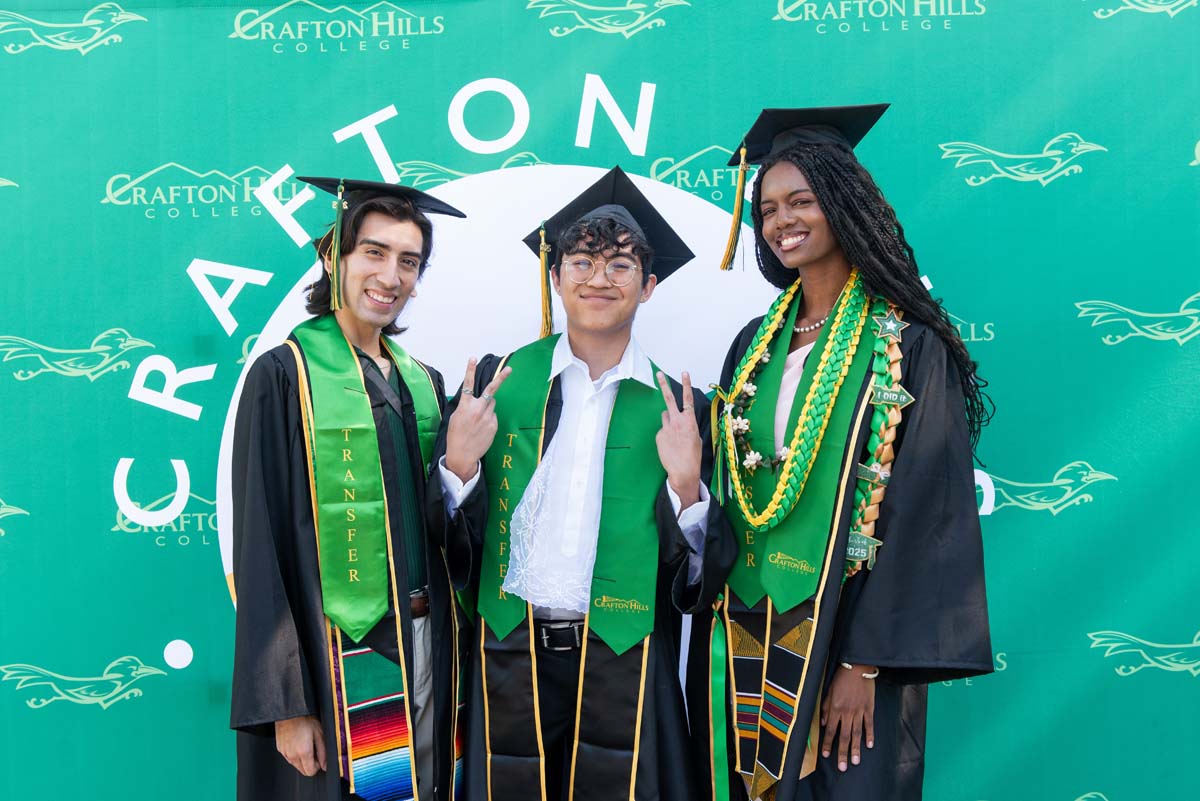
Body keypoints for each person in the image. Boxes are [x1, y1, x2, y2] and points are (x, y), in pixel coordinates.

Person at [692, 105, 994, 801]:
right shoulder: (754, 346)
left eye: (802, 201)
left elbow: (925, 509)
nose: (780, 221)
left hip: (849, 633)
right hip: (750, 628)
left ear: (844, 202)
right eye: (767, 208)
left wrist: (864, 662)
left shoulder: (905, 346)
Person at [426, 166, 737, 801]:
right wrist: (457, 466)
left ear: (648, 287)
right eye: (582, 261)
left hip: (624, 656)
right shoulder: (497, 384)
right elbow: (447, 543)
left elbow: (702, 575)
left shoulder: (683, 407)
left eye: (621, 265)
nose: (600, 279)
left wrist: (686, 487)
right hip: (509, 652)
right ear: (555, 276)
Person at [230, 177, 468, 801]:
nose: (391, 276)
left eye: (408, 261)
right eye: (374, 252)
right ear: (333, 255)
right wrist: (287, 703)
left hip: (428, 645)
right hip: (331, 656)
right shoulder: (286, 377)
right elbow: (262, 543)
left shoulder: (425, 384)